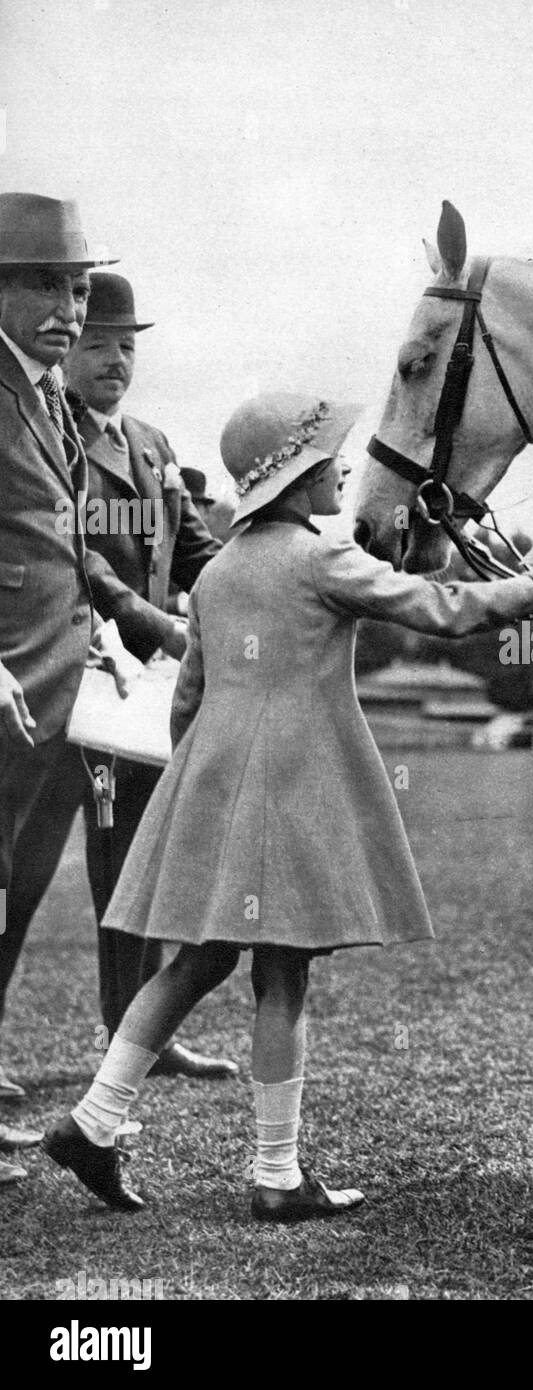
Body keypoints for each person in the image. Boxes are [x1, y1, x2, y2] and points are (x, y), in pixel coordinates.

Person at [43, 391, 533, 1221]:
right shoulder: (320, 558)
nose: (346, 474)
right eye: (333, 464)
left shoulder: (221, 571)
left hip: (213, 778)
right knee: (284, 972)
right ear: (297, 476)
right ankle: (276, 1175)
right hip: (289, 785)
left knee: (197, 959)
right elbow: (445, 612)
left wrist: (202, 787)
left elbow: (189, 699)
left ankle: (93, 1121)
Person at [0, 272, 235, 1082]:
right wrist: (151, 620)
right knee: (19, 873)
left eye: (128, 345)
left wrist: (252, 585)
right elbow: (78, 556)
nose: (115, 360)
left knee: (132, 867)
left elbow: (199, 550)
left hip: (135, 698)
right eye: (99, 342)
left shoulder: (152, 444)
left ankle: (135, 1032)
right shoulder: (46, 426)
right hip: (67, 679)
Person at [0, 193, 125, 1180]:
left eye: (79, 287)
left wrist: (99, 644)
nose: (70, 309)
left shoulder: (46, 395)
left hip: (55, 696)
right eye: (44, 283)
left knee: (13, 896)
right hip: (5, 689)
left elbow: (62, 549)